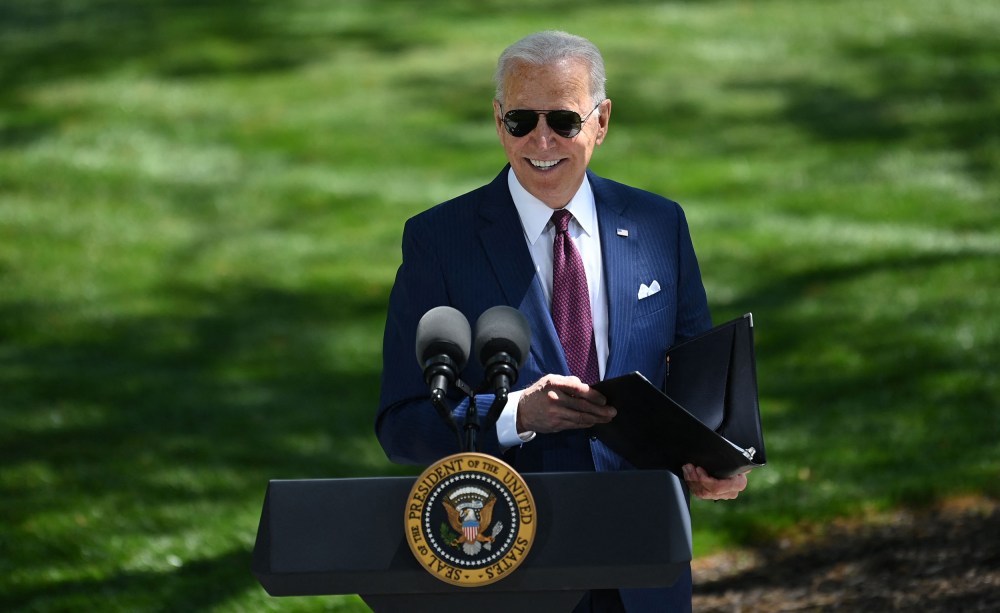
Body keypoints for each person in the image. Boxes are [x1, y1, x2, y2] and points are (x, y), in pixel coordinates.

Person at [377, 30, 748, 612]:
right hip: (512, 563)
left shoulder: (659, 224)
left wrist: (720, 461)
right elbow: (401, 423)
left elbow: (695, 380)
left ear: (601, 122)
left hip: (645, 562)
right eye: (522, 120)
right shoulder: (438, 242)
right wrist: (515, 413)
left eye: (564, 121)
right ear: (498, 120)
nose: (541, 139)